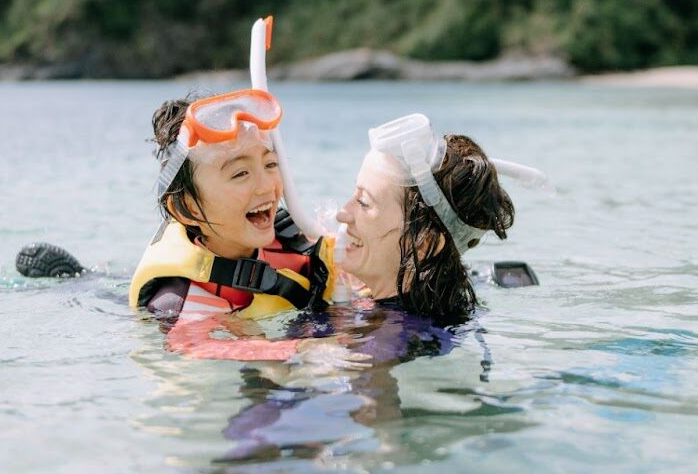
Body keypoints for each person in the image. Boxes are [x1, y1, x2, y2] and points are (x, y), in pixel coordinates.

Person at [128, 88, 335, 327]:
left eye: (270, 164)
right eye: (240, 174)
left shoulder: (294, 243)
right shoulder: (178, 309)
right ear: (190, 208)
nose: (266, 186)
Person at [336, 113, 516, 326]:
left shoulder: (387, 344)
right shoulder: (425, 307)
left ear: (423, 243)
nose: (342, 214)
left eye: (364, 202)